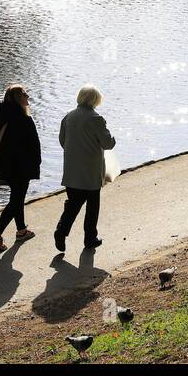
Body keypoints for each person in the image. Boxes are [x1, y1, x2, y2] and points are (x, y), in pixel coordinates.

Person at [54, 85, 116, 252]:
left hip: (72, 171)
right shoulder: (96, 119)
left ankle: (61, 231)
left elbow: (62, 141)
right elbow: (108, 143)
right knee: (92, 206)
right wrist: (113, 137)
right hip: (90, 172)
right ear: (95, 100)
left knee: (73, 204)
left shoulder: (68, 117)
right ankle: (90, 238)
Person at [0, 84, 41, 250]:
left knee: (17, 196)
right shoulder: (23, 118)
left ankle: (21, 230)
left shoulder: (2, 116)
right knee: (16, 199)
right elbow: (33, 144)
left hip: (6, 164)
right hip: (21, 166)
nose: (28, 97)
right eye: (25, 94)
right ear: (19, 98)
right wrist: (36, 162)